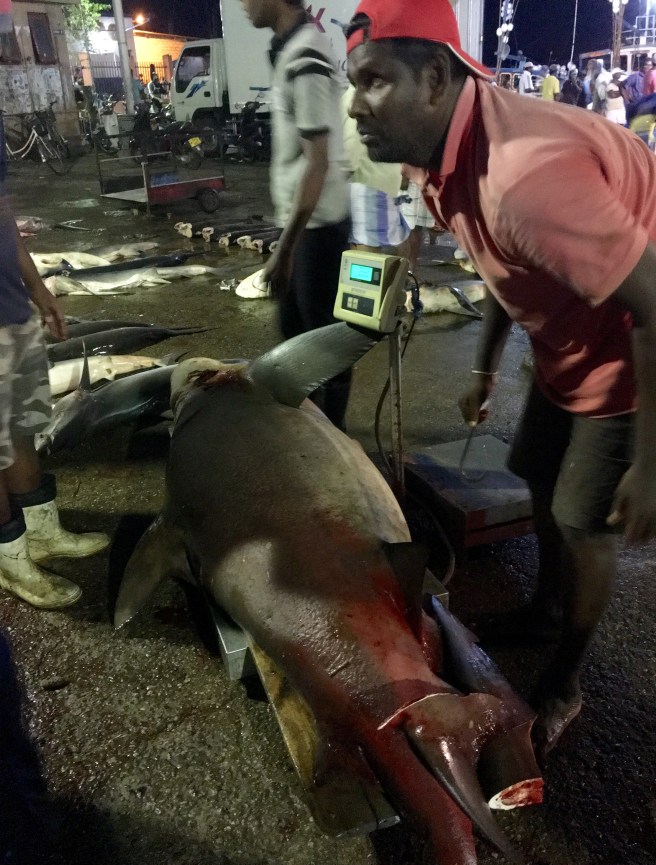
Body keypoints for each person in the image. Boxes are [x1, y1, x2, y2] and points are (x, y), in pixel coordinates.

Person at [346, 0, 656, 760]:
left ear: (434, 77)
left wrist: (651, 461)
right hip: (570, 332)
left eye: (375, 81)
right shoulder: (444, 154)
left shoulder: (527, 179)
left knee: (585, 518)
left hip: (630, 348)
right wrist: (485, 364)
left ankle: (565, 682)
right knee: (536, 473)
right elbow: (495, 263)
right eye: (352, 83)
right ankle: (547, 610)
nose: (353, 104)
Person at [0, 115, 109, 610]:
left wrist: (38, 287)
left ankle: (41, 529)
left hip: (9, 309)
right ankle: (10, 556)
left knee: (22, 426)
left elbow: (2, 212)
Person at [241, 0, 351, 429]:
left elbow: (317, 163)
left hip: (318, 229)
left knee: (322, 344)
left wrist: (284, 251)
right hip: (303, 226)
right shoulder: (291, 49)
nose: (242, 6)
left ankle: (333, 437)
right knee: (296, 334)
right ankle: (315, 429)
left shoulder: (306, 55)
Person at [342, 84, 409, 252]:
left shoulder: (356, 96)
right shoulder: (387, 93)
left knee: (365, 252)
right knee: (391, 240)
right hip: (384, 180)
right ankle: (404, 276)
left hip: (365, 183)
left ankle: (399, 277)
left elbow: (352, 148)